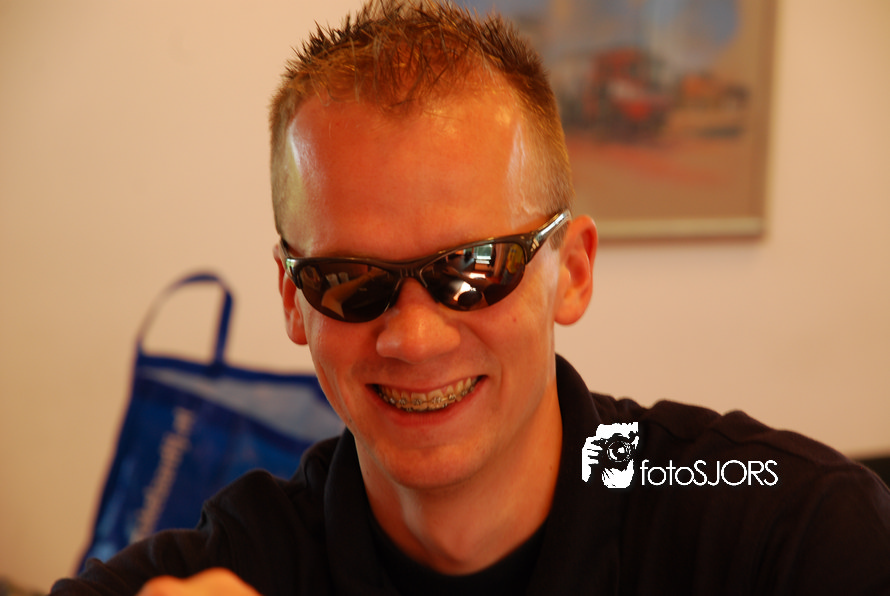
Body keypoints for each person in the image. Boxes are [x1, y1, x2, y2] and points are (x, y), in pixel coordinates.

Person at [53, 1, 890, 594]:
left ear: (573, 270)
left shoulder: (787, 534)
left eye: (473, 269)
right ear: (291, 298)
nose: (414, 338)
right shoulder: (231, 568)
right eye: (350, 282)